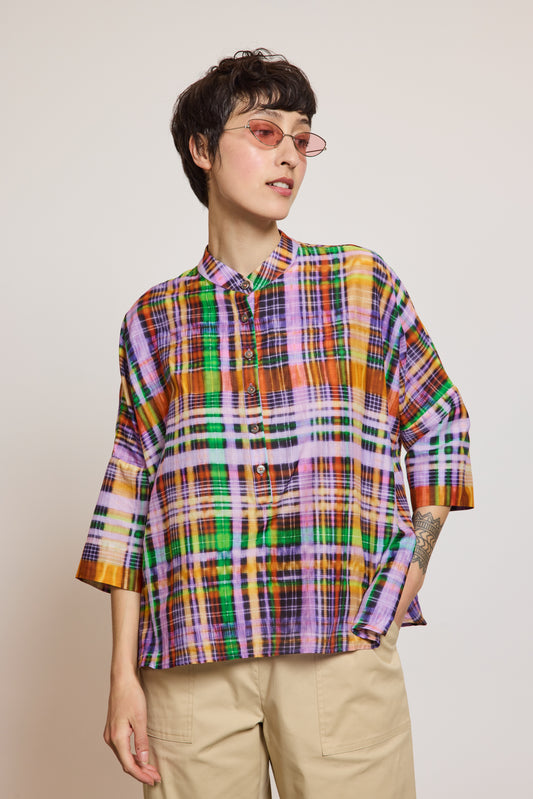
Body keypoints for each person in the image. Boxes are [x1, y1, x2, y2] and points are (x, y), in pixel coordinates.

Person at [76, 49, 474, 799]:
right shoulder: (153, 318)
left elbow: (440, 423)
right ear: (202, 148)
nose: (289, 153)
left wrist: (408, 567)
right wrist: (122, 675)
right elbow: (129, 492)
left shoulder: (360, 283)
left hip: (336, 639)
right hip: (192, 654)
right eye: (264, 131)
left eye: (300, 137)